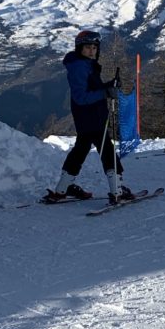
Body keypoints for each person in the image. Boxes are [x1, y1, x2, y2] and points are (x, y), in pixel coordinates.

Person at [45, 29, 133, 203]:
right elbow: (81, 97)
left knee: (80, 150)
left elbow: (93, 88)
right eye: (87, 48)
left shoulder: (85, 64)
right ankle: (117, 190)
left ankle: (62, 188)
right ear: (80, 49)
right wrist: (105, 92)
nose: (91, 51)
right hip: (91, 117)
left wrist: (108, 86)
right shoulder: (79, 67)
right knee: (107, 150)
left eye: (94, 47)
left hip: (88, 117)